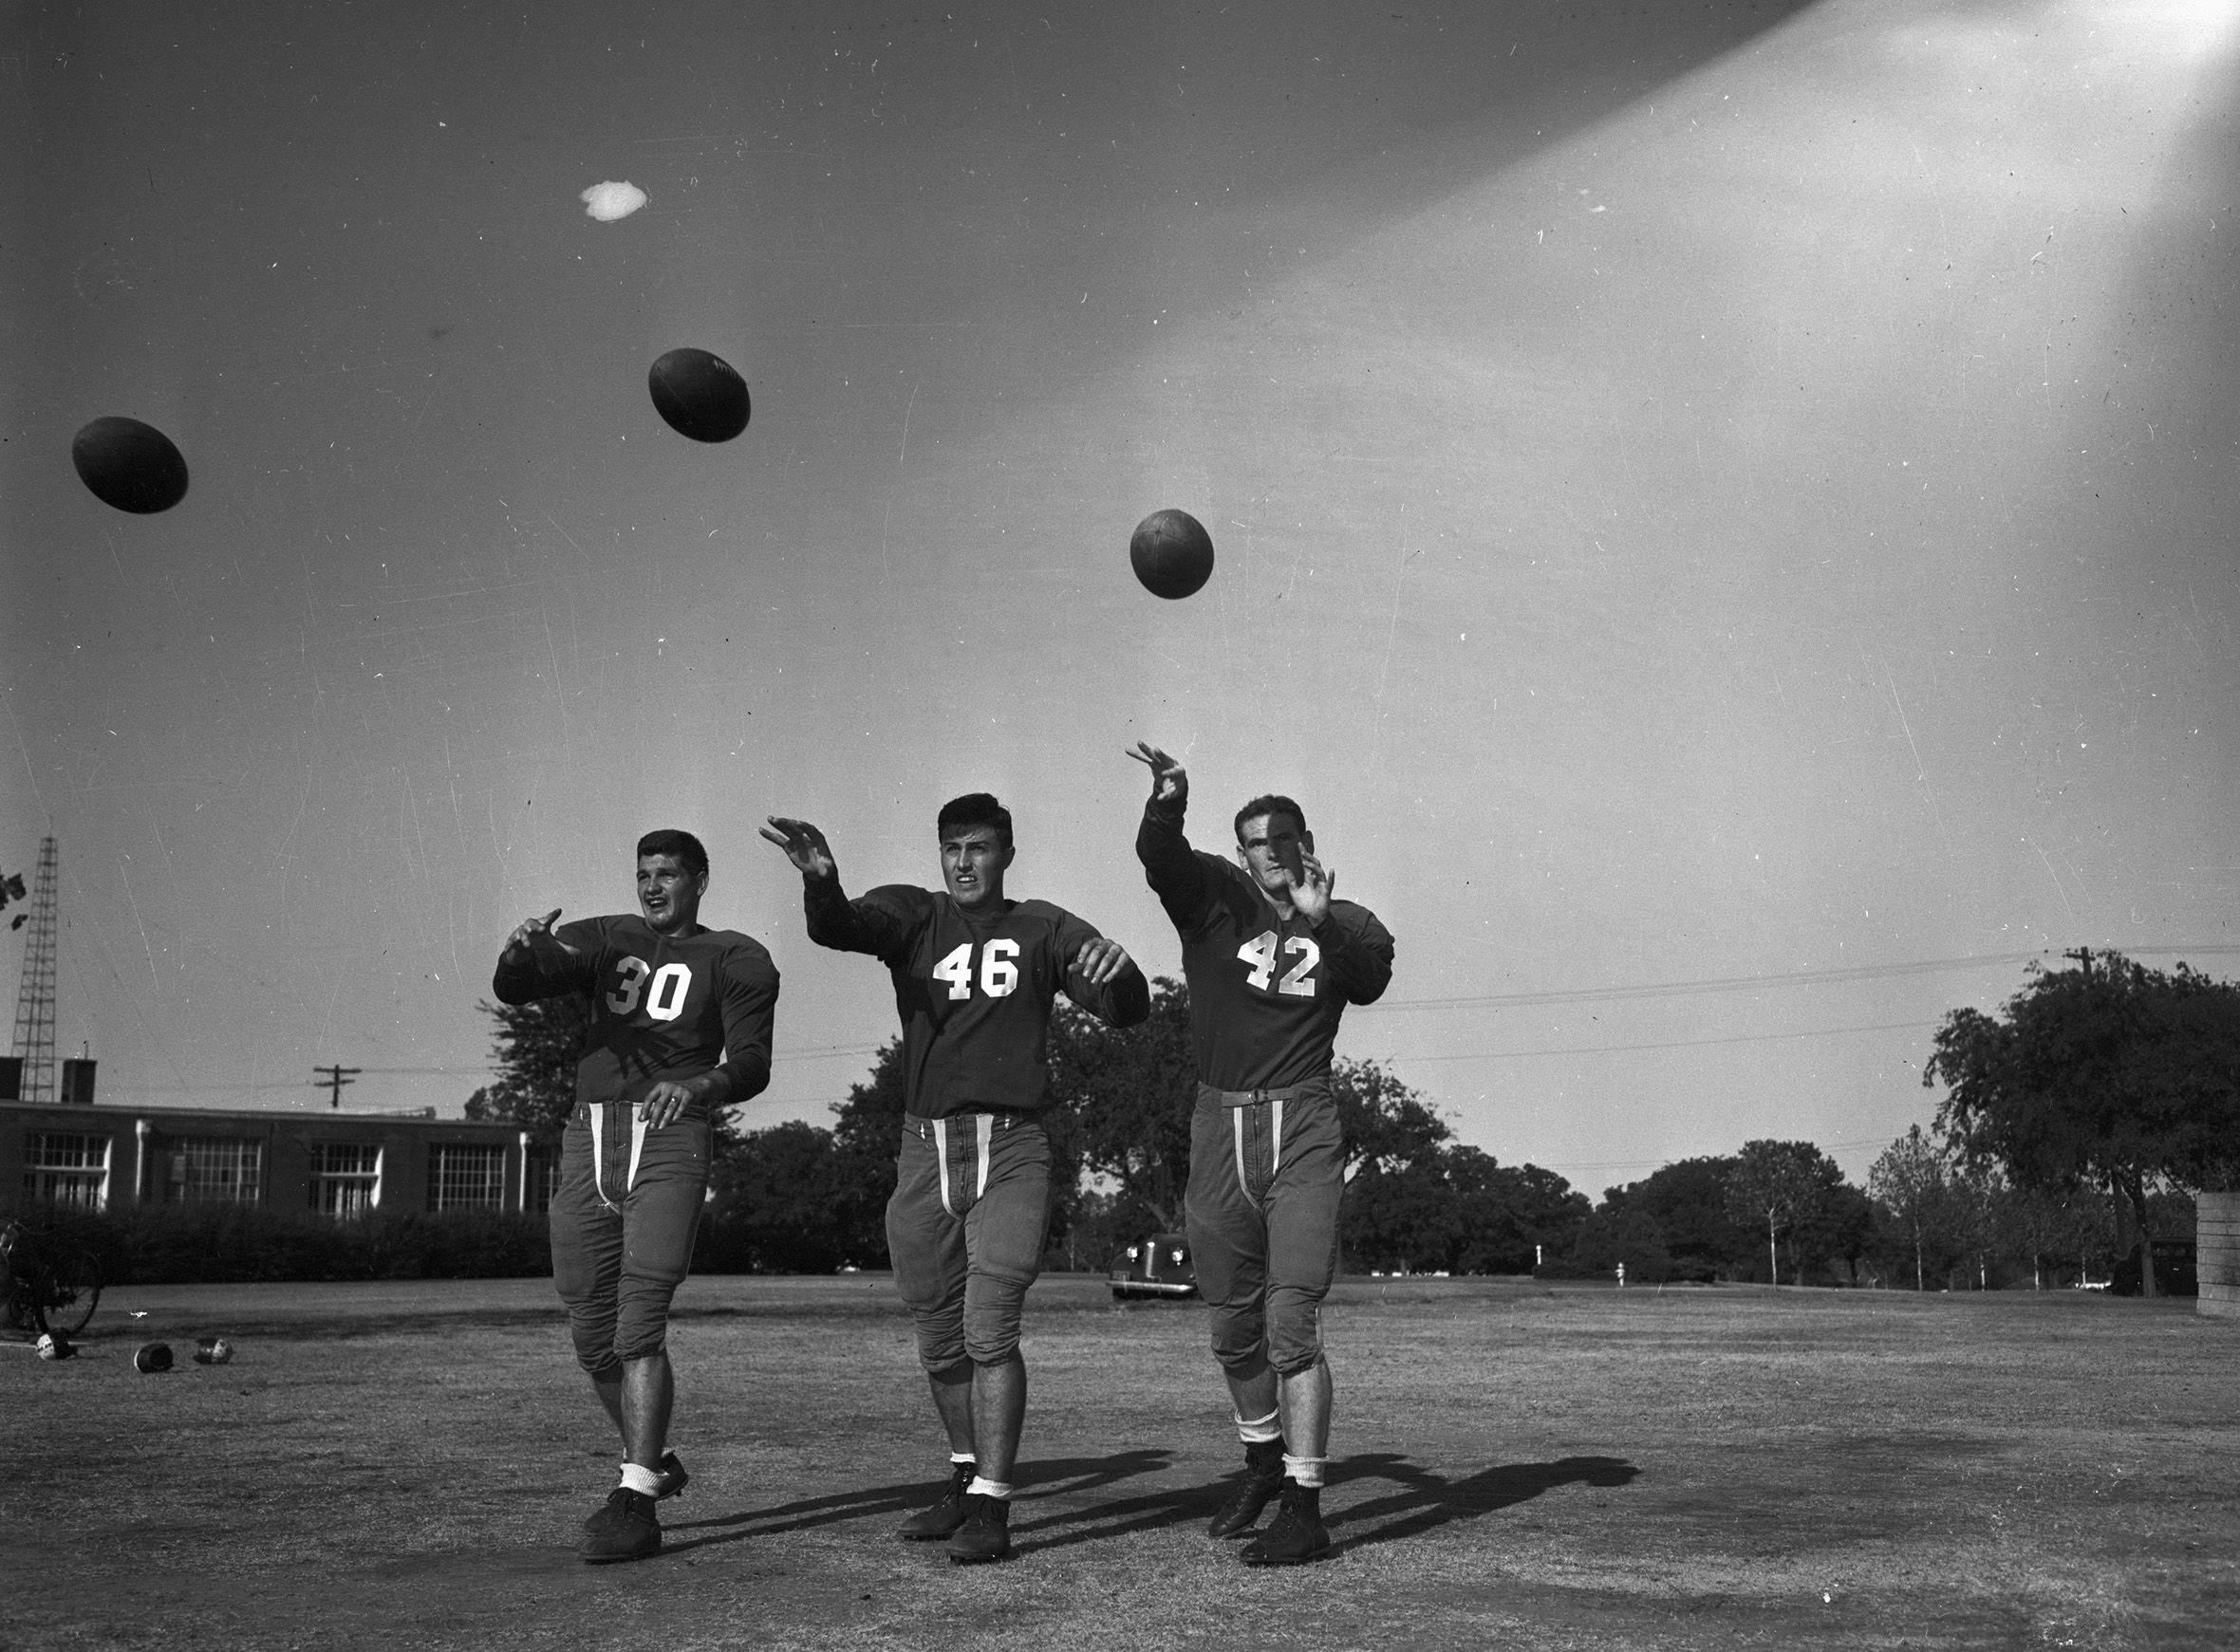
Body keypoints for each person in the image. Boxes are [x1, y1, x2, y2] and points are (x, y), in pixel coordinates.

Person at [762, 794, 1148, 1564]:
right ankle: (968, 1476)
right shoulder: (916, 914)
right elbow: (841, 926)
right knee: (938, 1335)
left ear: (1007, 853)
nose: (964, 862)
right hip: (924, 1144)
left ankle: (995, 1505)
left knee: (990, 1324)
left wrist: (1126, 972)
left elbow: (1124, 1008)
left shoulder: (1043, 924)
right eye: (952, 849)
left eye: (978, 847)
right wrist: (821, 882)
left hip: (1011, 1143)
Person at [1128, 744, 1394, 1566]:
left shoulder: (1347, 922)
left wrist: (1318, 914)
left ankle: (1306, 1505)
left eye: (1283, 836)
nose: (1270, 851)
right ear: (1240, 851)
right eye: (1255, 841)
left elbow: (1371, 980)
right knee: (1231, 1322)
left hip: (1303, 1115)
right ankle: (1262, 1460)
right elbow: (1160, 860)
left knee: (1290, 1318)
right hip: (1218, 1117)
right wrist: (1166, 803)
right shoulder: (1215, 899)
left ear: (1307, 840)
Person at [493, 828, 780, 1564]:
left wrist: (699, 1083)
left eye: (669, 874)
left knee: (638, 1321)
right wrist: (519, 953)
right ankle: (653, 1457)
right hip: (588, 1134)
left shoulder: (736, 955)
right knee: (591, 1331)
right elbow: (518, 988)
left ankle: (637, 1496)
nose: (654, 886)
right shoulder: (607, 937)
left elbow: (751, 1062)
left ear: (700, 880)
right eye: (644, 873)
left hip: (669, 1133)